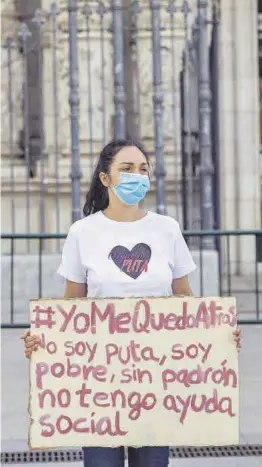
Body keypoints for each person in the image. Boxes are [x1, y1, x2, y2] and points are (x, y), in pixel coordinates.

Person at [22, 139, 241, 467]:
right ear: (105, 178)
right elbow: (70, 308)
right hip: (98, 383)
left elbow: (185, 301)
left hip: (156, 378)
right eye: (126, 169)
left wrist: (217, 336)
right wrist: (43, 341)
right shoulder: (83, 233)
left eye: (142, 169)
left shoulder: (166, 230)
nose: (137, 176)